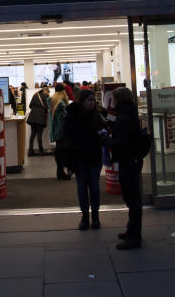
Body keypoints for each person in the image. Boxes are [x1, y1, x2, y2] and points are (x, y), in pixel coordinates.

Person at [63, 89, 107, 230]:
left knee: (94, 187)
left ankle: (95, 216)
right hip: (79, 157)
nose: (92, 103)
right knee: (82, 188)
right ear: (82, 101)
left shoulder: (98, 115)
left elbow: (104, 130)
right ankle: (84, 216)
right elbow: (66, 134)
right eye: (89, 100)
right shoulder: (72, 115)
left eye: (94, 100)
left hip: (94, 156)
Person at [109, 86, 144, 249]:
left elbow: (122, 143)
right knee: (133, 196)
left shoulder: (123, 117)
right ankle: (132, 231)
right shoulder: (130, 113)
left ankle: (134, 237)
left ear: (118, 100)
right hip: (133, 159)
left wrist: (106, 141)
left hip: (127, 160)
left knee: (132, 197)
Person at [48, 83, 71, 180]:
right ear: (63, 91)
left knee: (59, 151)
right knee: (63, 152)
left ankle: (60, 172)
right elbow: (63, 119)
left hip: (54, 129)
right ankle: (61, 172)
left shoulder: (51, 100)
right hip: (62, 131)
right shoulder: (61, 103)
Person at [26, 85, 50, 155]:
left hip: (33, 116)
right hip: (41, 117)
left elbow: (30, 106)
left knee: (32, 134)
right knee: (39, 134)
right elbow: (47, 107)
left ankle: (30, 150)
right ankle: (41, 150)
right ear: (47, 91)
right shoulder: (47, 96)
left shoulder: (35, 95)